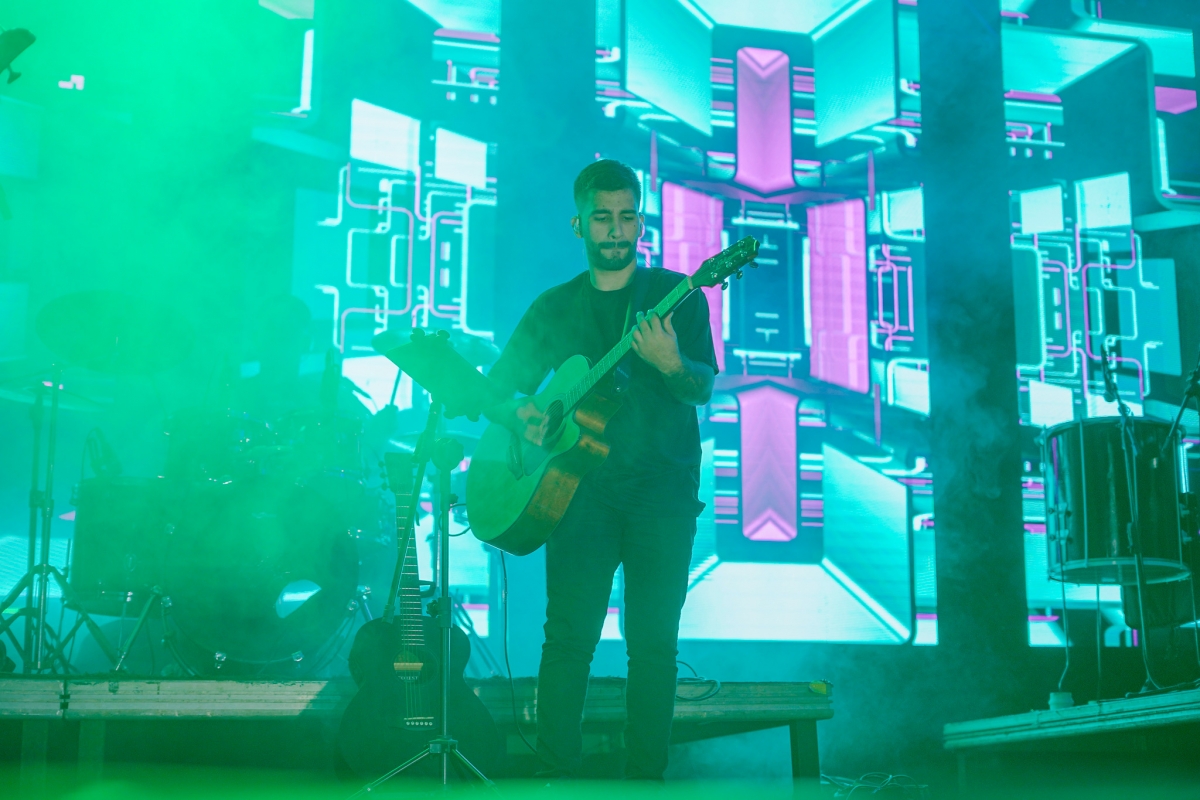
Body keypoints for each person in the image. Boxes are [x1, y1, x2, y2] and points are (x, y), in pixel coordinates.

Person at [486, 159, 717, 780]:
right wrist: (522, 417)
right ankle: (556, 778)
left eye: (627, 216)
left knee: (654, 647)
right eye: (601, 217)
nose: (616, 229)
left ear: (641, 221)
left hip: (663, 495)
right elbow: (498, 390)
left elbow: (700, 388)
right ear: (578, 224)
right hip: (575, 494)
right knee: (568, 639)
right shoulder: (554, 307)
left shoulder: (678, 296)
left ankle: (646, 783)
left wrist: (670, 362)